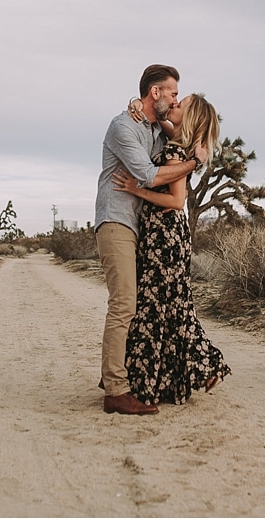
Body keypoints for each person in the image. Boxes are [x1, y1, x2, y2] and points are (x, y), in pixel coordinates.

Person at [111, 92, 232, 404]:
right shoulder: (173, 140)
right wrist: (135, 103)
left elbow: (177, 201)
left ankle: (196, 368)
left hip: (166, 237)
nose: (175, 104)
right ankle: (187, 372)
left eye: (182, 105)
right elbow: (158, 118)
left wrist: (138, 190)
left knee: (159, 306)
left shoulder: (177, 153)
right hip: (161, 235)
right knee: (168, 306)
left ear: (189, 118)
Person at [96, 65, 199, 415]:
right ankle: (116, 390)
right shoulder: (122, 126)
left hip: (139, 229)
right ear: (155, 92)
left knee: (138, 307)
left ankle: (128, 381)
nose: (174, 99)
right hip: (117, 221)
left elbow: (180, 132)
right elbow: (147, 175)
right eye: (171, 93)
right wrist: (193, 163)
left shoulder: (154, 128)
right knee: (124, 304)